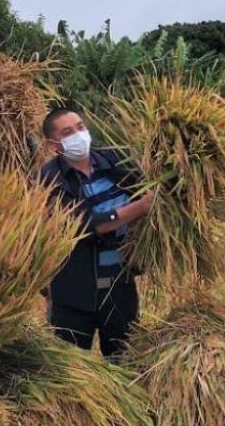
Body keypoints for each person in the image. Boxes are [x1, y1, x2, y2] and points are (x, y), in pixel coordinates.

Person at [37, 106, 155, 360]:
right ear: (54, 144)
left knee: (125, 363)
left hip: (120, 288)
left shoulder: (114, 162)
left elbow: (149, 189)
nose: (79, 135)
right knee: (71, 369)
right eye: (68, 132)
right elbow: (83, 225)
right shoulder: (50, 179)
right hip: (74, 293)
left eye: (80, 127)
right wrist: (139, 208)